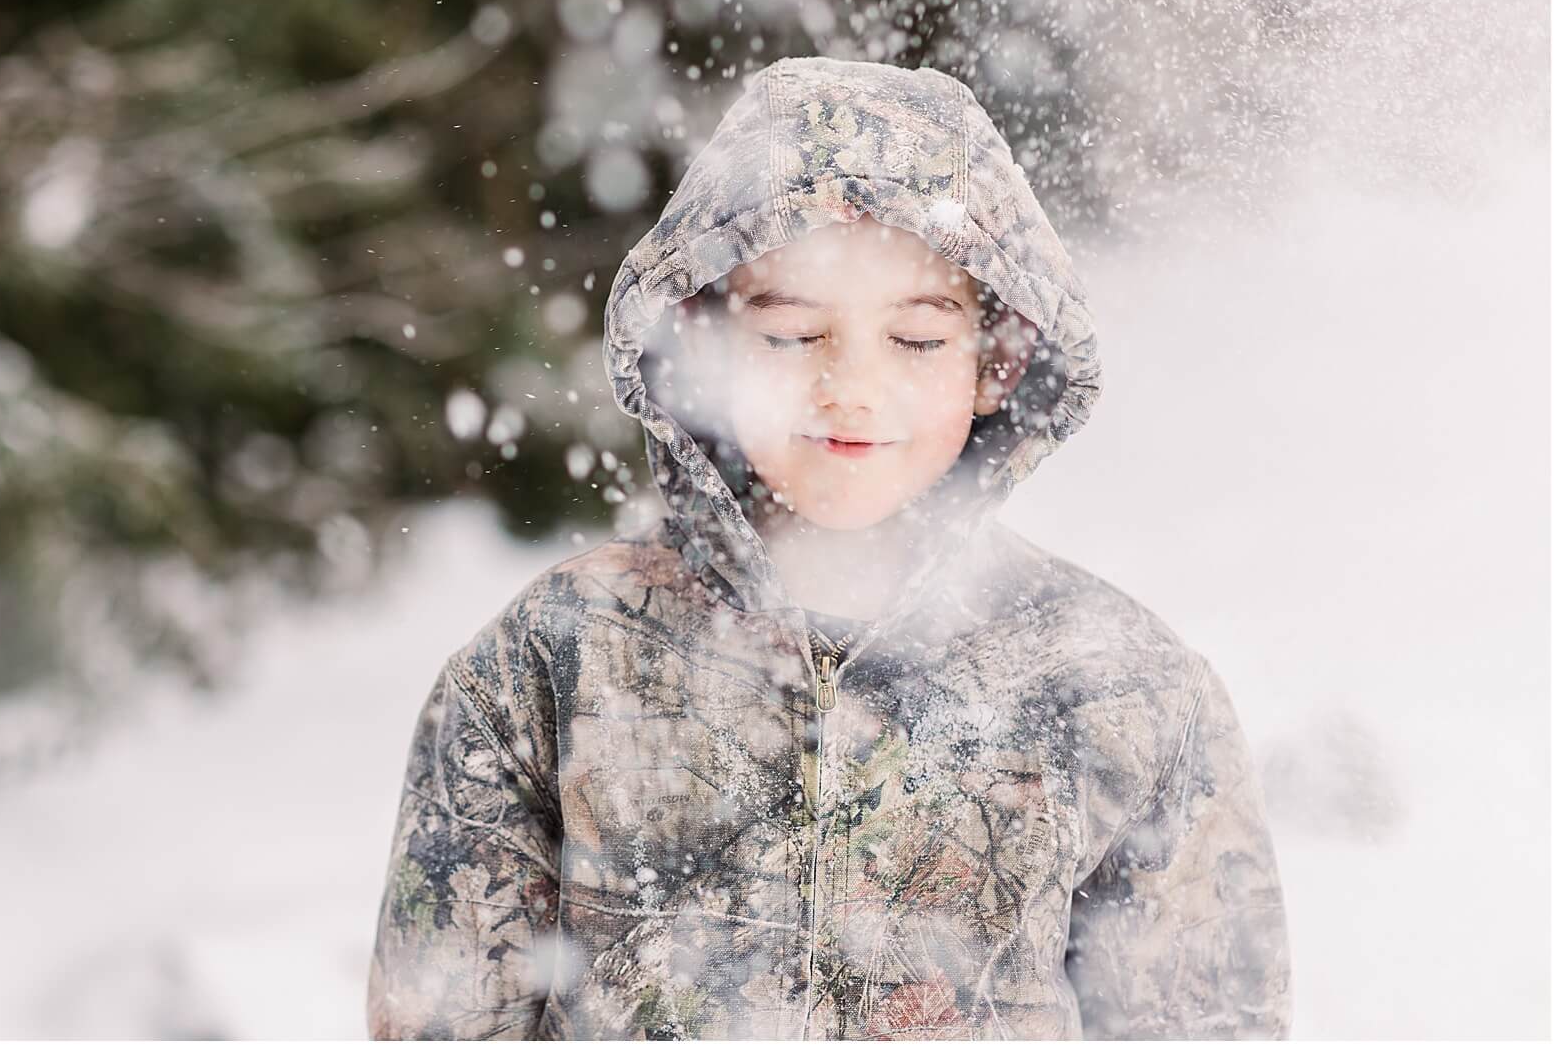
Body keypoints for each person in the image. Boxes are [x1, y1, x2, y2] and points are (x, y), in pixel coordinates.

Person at [366, 55, 1292, 1039]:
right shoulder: (549, 663)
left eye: (918, 340)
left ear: (997, 359)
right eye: (795, 334)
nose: (851, 388)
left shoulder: (1125, 691)